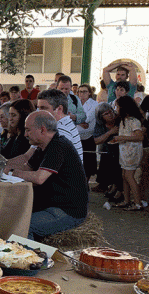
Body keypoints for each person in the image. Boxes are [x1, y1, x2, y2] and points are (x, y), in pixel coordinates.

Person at [8, 111, 88, 239]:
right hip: (51, 205)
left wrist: (13, 172)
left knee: (23, 226)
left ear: (42, 130)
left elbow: (39, 178)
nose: (25, 134)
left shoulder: (58, 146)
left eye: (28, 130)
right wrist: (4, 167)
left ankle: (30, 258)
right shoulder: (42, 146)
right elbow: (26, 168)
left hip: (67, 210)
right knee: (11, 216)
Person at [109, 96, 145, 211]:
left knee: (129, 176)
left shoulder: (134, 121)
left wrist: (121, 137)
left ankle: (138, 202)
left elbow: (139, 137)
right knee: (124, 176)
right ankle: (126, 200)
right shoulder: (124, 120)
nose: (117, 109)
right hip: (125, 151)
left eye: (118, 107)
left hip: (132, 152)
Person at [36, 89, 83, 162]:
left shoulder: (62, 131)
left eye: (43, 108)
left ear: (59, 109)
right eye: (38, 108)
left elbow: (48, 169)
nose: (39, 112)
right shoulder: (58, 126)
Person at [76, 84, 98, 179]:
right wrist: (80, 122)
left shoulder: (94, 104)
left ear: (89, 93)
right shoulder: (75, 103)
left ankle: (86, 185)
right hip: (76, 137)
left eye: (84, 91)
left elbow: (87, 119)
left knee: (88, 165)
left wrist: (75, 119)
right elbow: (67, 116)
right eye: (80, 91)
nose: (82, 94)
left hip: (88, 137)